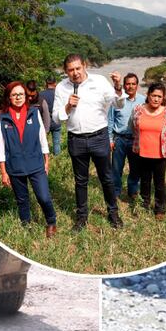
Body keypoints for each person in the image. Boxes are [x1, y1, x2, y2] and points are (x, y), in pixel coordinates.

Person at [53, 54, 124, 231]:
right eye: (70, 70)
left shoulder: (99, 81)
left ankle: (113, 213)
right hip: (76, 139)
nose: (75, 73)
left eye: (78, 68)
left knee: (106, 178)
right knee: (80, 180)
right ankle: (82, 217)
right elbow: (56, 117)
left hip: (99, 137)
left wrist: (117, 87)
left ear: (85, 66)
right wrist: (68, 106)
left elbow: (118, 104)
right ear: (65, 71)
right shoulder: (62, 88)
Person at [0, 81, 57, 237]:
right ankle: (26, 225)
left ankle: (51, 222)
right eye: (14, 94)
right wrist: (3, 171)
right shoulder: (3, 118)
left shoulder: (34, 112)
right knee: (22, 200)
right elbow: (1, 146)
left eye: (21, 94)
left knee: (43, 197)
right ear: (9, 97)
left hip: (35, 163)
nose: (18, 97)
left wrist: (46, 160)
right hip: (14, 165)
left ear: (26, 95)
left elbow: (42, 137)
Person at [129, 83, 166, 219]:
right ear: (148, 96)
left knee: (159, 182)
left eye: (159, 96)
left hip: (160, 154)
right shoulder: (138, 109)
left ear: (163, 98)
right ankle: (144, 204)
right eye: (153, 95)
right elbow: (132, 126)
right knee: (144, 180)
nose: (156, 99)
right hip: (142, 151)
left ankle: (160, 209)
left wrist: (165, 140)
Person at [108, 72, 145, 202]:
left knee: (136, 167)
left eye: (133, 84)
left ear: (137, 86)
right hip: (119, 139)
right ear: (124, 85)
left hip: (135, 140)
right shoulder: (118, 99)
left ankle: (133, 190)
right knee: (116, 168)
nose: (130, 86)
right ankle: (116, 191)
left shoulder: (143, 100)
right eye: (128, 84)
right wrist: (110, 139)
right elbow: (110, 120)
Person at [38, 77, 61, 155]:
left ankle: (44, 157)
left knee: (43, 142)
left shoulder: (40, 94)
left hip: (44, 122)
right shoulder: (58, 94)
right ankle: (57, 159)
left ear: (46, 83)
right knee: (57, 142)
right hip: (56, 121)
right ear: (55, 83)